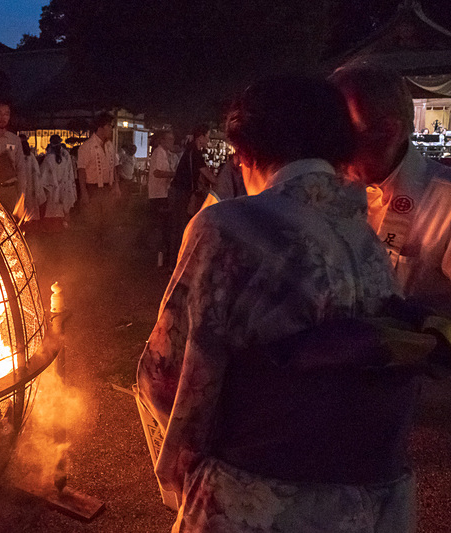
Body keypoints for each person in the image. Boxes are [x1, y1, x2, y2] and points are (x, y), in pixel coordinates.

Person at [137, 76, 420, 532]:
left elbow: (168, 375)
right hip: (372, 499)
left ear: (244, 151)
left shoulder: (228, 228)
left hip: (262, 497)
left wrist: (183, 468)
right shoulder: (365, 238)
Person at [330, 64, 451, 316]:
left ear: (388, 131)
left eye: (341, 133)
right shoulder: (327, 191)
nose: (330, 148)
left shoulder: (445, 201)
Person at [169, 124, 213, 261]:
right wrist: (223, 182)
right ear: (200, 137)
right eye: (208, 136)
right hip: (180, 192)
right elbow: (208, 175)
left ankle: (176, 261)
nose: (209, 140)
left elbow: (197, 175)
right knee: (180, 227)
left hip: (181, 191)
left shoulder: (193, 151)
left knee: (182, 226)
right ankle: (175, 263)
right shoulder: (194, 152)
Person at [77, 113, 120, 240]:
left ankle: (105, 248)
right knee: (93, 222)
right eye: (109, 126)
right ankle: (93, 251)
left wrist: (116, 185)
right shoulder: (86, 147)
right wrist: (84, 192)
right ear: (100, 128)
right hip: (92, 189)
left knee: (108, 220)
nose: (111, 129)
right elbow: (81, 171)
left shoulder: (110, 145)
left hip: (107, 188)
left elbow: (114, 167)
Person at [147, 130, 176, 267]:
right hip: (158, 195)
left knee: (163, 226)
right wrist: (174, 174)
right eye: (169, 139)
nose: (172, 142)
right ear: (162, 141)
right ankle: (159, 257)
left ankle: (161, 257)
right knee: (161, 226)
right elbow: (157, 172)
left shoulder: (166, 154)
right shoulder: (159, 152)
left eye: (172, 139)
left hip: (163, 193)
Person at [40, 134, 77, 232]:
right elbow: (70, 174)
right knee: (64, 213)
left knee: (53, 214)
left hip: (52, 191)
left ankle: (53, 234)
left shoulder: (48, 158)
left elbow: (43, 177)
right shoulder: (66, 157)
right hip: (65, 189)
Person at [14, 134, 45, 226]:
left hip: (22, 187)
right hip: (28, 188)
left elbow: (36, 174)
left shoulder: (27, 157)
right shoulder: (30, 157)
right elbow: (36, 174)